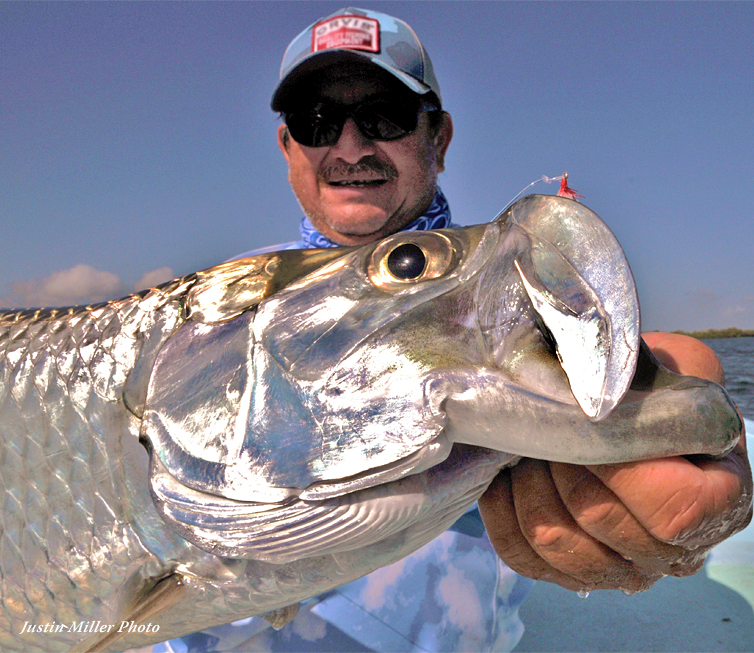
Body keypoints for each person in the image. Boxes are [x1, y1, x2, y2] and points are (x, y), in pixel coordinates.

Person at [153, 7, 752, 653]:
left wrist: (680, 384)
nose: (349, 147)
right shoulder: (212, 305)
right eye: (316, 121)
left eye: (384, 115)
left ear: (438, 138)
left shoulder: (496, 288)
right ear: (287, 147)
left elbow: (647, 365)